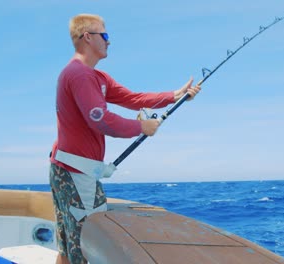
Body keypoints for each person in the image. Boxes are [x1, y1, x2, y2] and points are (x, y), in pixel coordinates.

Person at [49, 13, 200, 264]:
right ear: (88, 37)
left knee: (67, 246)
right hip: (78, 174)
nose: (109, 41)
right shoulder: (80, 75)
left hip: (65, 168)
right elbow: (100, 119)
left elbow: (134, 99)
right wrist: (142, 127)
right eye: (104, 35)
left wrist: (176, 95)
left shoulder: (97, 77)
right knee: (85, 250)